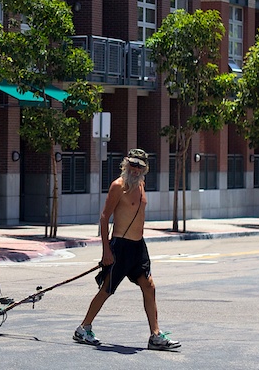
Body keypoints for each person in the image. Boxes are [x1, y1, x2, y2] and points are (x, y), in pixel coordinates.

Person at [74, 148, 180, 351]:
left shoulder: (141, 185)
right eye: (132, 164)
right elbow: (105, 217)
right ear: (125, 164)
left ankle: (155, 335)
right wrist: (106, 251)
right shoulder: (118, 186)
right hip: (120, 246)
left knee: (149, 286)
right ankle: (83, 328)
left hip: (138, 247)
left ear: (145, 169)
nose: (135, 169)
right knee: (107, 289)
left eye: (139, 166)